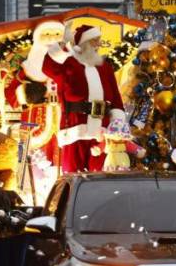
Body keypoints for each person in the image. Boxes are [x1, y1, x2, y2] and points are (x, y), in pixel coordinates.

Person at [41, 24, 126, 173]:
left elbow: (116, 101)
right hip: (75, 133)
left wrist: (118, 127)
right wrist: (62, 45)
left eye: (99, 41)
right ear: (84, 43)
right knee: (73, 176)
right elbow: (47, 66)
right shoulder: (69, 64)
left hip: (101, 135)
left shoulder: (105, 67)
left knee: (101, 176)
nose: (98, 45)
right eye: (94, 41)